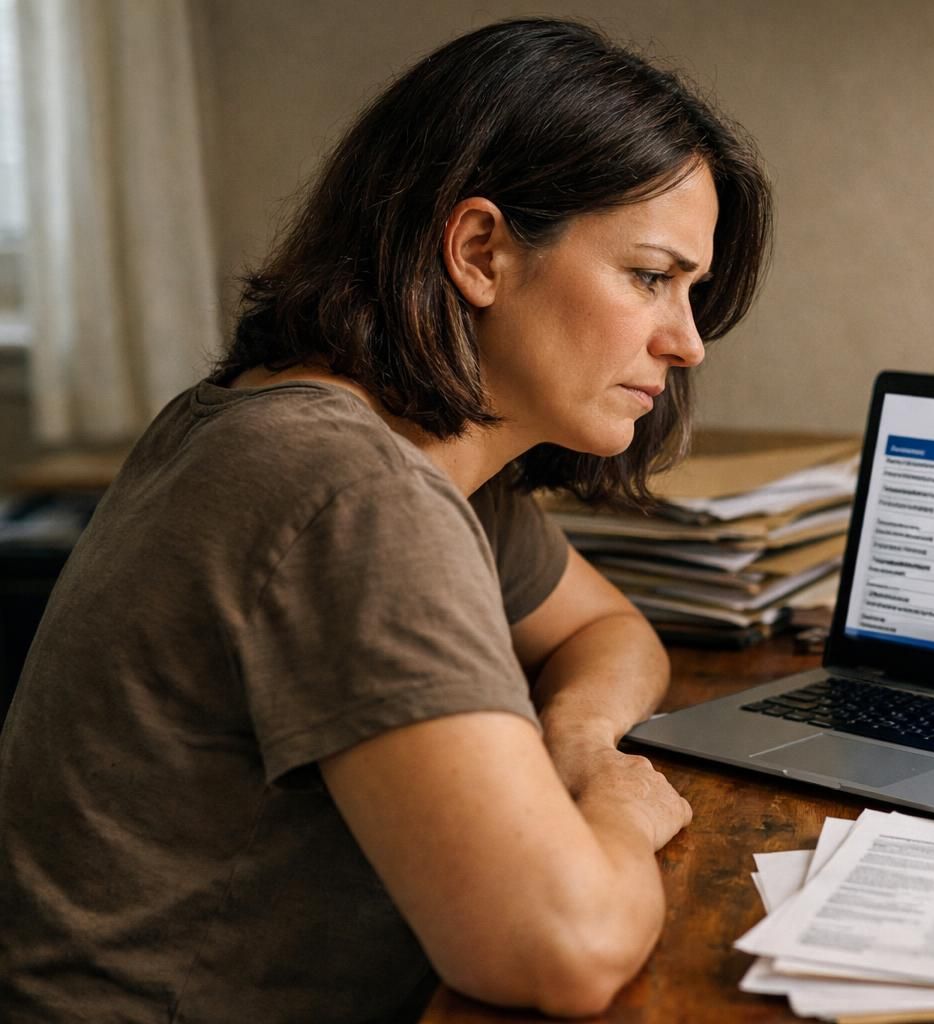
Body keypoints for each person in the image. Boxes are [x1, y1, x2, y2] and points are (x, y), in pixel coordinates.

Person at [0, 17, 771, 1023]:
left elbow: (606, 630)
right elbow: (562, 953)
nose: (686, 342)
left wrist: (577, 739)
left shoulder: (364, 437)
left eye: (693, 290)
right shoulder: (350, 490)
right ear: (482, 250)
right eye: (651, 276)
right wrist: (617, 814)